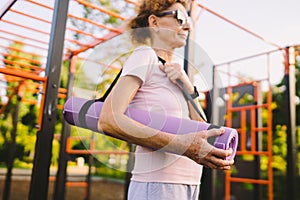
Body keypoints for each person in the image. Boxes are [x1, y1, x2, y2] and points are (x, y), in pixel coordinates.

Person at [99, 0, 234, 199]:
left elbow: (201, 128)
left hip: (189, 182)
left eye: (188, 21)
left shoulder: (178, 73)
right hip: (158, 185)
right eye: (180, 18)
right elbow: (108, 119)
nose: (187, 26)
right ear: (154, 22)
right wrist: (184, 146)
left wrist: (187, 86)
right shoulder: (145, 56)